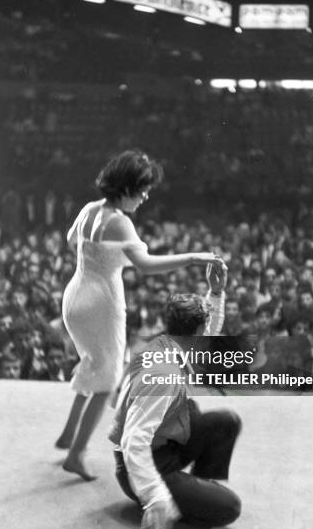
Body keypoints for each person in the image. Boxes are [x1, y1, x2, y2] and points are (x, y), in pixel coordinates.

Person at [56, 150, 224, 480]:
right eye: (143, 188)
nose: (146, 195)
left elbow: (70, 239)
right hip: (101, 303)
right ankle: (76, 453)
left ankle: (67, 435)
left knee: (91, 364)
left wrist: (100, 261)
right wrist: (193, 257)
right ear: (127, 187)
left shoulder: (91, 210)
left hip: (74, 296)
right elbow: (147, 267)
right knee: (107, 381)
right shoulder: (120, 221)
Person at [109, 263, 242, 529]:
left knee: (226, 422)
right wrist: (155, 495)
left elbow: (208, 330)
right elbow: (133, 442)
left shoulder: (171, 343)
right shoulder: (162, 374)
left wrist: (216, 292)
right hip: (142, 465)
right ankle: (174, 498)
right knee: (230, 507)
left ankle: (192, 492)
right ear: (195, 334)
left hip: (167, 445)